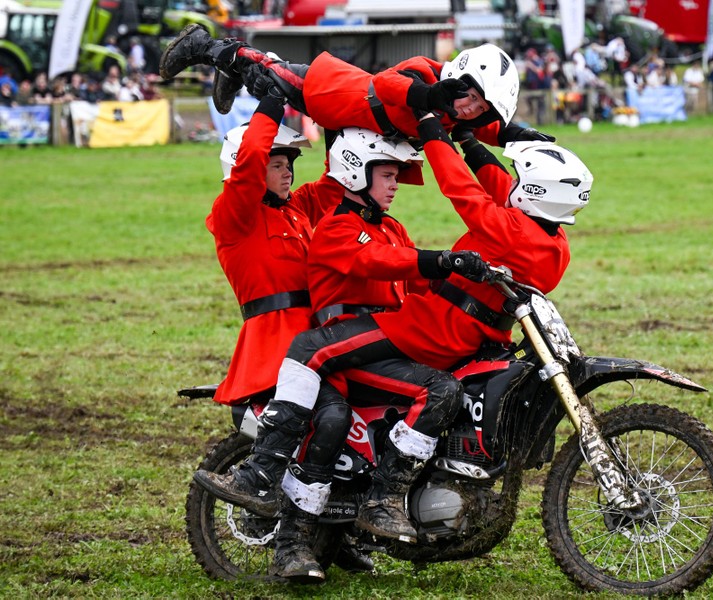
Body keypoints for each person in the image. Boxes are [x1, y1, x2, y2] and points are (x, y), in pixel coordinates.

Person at [197, 104, 593, 580]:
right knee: (332, 419)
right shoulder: (299, 220)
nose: (396, 184)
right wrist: (273, 102)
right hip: (312, 340)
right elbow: (381, 261)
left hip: (375, 335)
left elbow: (392, 255)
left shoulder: (354, 221)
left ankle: (362, 518)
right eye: (387, 175)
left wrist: (460, 286)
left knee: (441, 390)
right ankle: (271, 492)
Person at [157, 24, 551, 148]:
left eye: (481, 107)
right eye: (472, 99)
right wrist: (430, 96)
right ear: (459, 78)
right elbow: (388, 83)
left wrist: (524, 136)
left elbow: (490, 129)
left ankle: (232, 69)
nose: (470, 110)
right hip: (335, 90)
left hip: (345, 125)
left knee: (265, 80)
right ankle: (205, 45)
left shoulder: (455, 115)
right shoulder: (426, 73)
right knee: (270, 76)